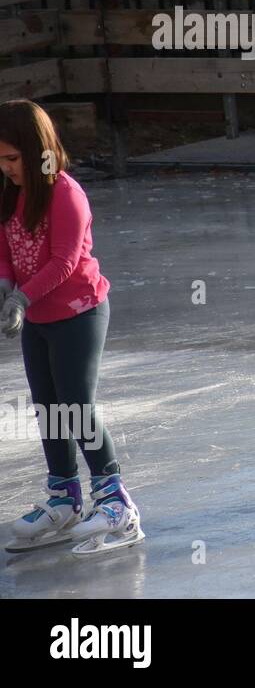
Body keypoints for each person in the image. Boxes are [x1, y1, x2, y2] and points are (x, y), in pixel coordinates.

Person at [0, 99, 143, 555]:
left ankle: (116, 502)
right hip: (38, 319)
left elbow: (65, 261)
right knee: (48, 408)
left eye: (11, 158)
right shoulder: (8, 191)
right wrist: (6, 288)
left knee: (76, 405)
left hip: (79, 312)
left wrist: (20, 297)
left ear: (35, 149)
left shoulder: (66, 193)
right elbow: (3, 246)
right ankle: (65, 498)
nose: (5, 168)